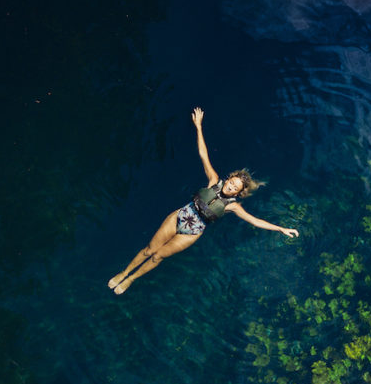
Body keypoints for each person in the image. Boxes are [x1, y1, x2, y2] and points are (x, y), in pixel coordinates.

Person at [108, 107, 299, 294]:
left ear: (239, 192)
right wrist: (199, 126)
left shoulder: (233, 206)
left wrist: (281, 228)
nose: (231, 186)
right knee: (150, 250)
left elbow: (254, 220)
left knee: (158, 257)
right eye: (231, 182)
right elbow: (203, 154)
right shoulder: (214, 180)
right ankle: (124, 272)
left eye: (235, 187)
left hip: (192, 232)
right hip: (180, 216)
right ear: (228, 178)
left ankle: (131, 279)